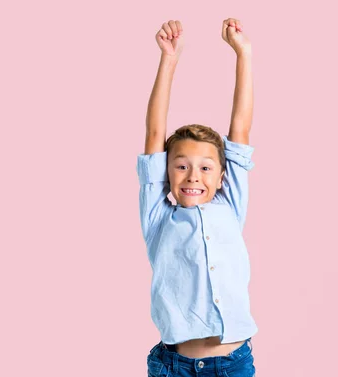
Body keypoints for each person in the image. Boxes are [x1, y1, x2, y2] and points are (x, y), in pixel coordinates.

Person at [137, 18, 257, 377]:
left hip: (233, 362)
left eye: (205, 168)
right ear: (167, 171)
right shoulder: (159, 217)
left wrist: (243, 54)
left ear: (222, 175)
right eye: (181, 166)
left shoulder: (230, 204)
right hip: (174, 366)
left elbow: (241, 127)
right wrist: (169, 60)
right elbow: (155, 132)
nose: (193, 176)